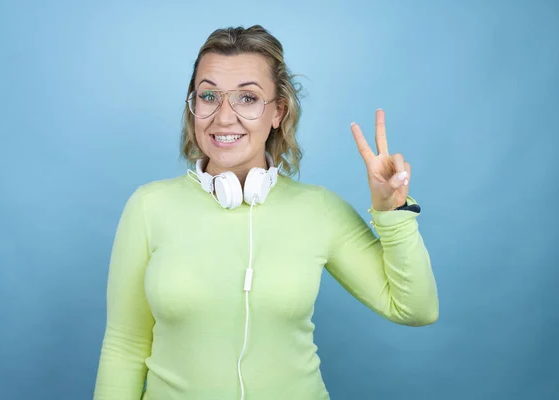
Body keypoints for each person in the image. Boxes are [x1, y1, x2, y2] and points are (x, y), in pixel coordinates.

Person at [93, 25, 439, 400]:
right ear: (193, 106)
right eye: (208, 95)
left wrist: (393, 213)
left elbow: (415, 309)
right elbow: (124, 346)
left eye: (247, 98)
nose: (224, 117)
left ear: (278, 112)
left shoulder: (318, 209)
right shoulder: (149, 206)